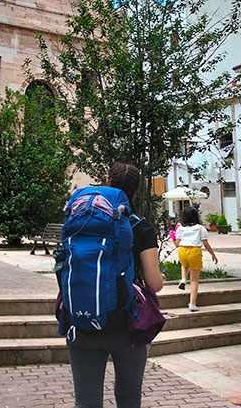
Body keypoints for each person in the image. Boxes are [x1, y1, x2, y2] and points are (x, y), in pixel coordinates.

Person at [66, 162, 165, 408]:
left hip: (82, 319)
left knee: (86, 401)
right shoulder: (140, 227)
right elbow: (154, 283)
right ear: (136, 190)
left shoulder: (82, 221)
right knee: (129, 398)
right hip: (126, 324)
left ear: (108, 182)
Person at [174, 206, 218, 311]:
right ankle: (192, 304)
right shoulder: (200, 228)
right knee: (194, 280)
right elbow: (205, 243)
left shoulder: (180, 228)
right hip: (194, 251)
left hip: (182, 250)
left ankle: (183, 279)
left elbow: (177, 244)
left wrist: (173, 238)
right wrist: (213, 254)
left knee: (184, 265)